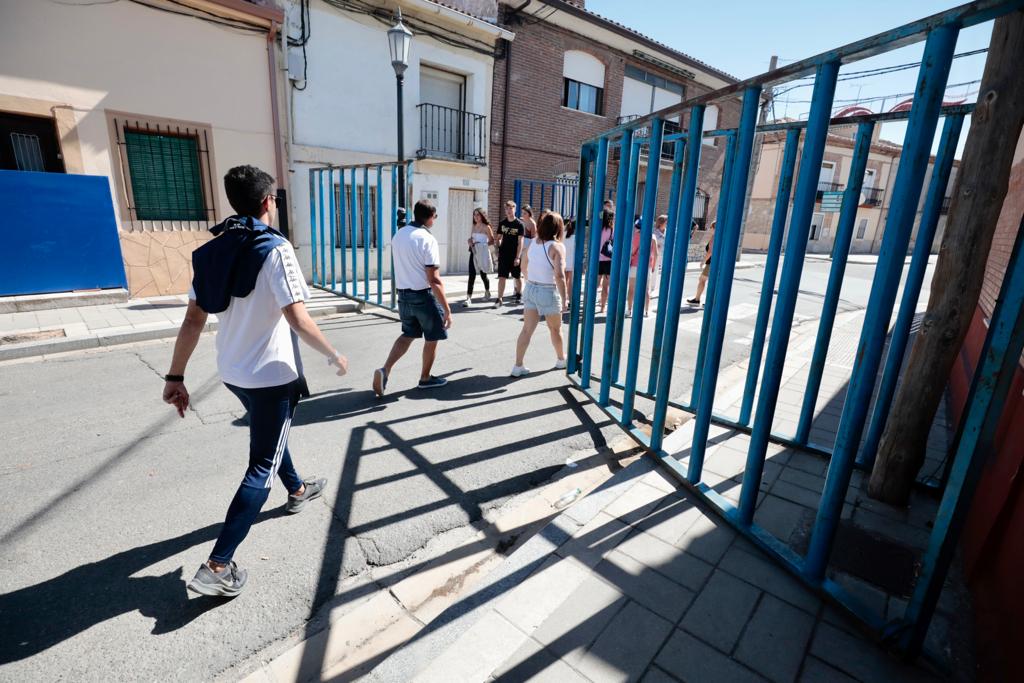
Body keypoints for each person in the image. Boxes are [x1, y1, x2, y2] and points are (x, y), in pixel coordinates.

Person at [164, 165, 348, 598]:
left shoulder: (212, 251)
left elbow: (193, 318)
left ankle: (299, 488)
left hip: (233, 372)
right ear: (268, 201)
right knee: (262, 463)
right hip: (271, 375)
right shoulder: (275, 248)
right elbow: (298, 317)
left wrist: (176, 375)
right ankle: (218, 564)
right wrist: (333, 353)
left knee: (271, 435)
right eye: (276, 199)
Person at [373, 199, 452, 396]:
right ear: (430, 216)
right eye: (435, 216)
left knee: (408, 335)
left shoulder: (399, 235)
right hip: (422, 295)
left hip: (403, 295)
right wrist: (447, 309)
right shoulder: (427, 239)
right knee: (433, 336)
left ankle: (385, 369)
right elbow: (433, 279)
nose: (435, 220)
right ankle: (425, 378)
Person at [511, 211, 568, 376]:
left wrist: (531, 279)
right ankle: (560, 359)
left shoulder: (534, 243)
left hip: (530, 288)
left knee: (526, 330)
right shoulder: (557, 247)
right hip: (547, 290)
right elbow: (559, 275)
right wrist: (565, 299)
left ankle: (518, 365)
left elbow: (523, 265)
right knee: (556, 329)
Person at [494, 200, 525, 308]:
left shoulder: (519, 224)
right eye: (507, 209)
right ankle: (499, 299)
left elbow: (521, 241)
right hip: (503, 254)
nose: (508, 211)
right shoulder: (502, 223)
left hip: (514, 254)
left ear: (514, 209)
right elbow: (497, 238)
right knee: (502, 277)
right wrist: (497, 249)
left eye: (511, 208)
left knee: (517, 276)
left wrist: (518, 257)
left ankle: (519, 294)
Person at [626, 218, 659, 318]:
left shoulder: (636, 235)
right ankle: (646, 311)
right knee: (646, 290)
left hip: (634, 266)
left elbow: (632, 251)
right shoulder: (652, 237)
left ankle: (629, 310)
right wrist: (653, 266)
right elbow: (656, 254)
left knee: (631, 289)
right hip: (647, 266)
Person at [464, 207, 495, 305]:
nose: (476, 217)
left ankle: (487, 291)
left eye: (478, 215)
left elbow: (492, 241)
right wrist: (470, 241)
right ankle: (468, 298)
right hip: (474, 252)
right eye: (474, 215)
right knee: (471, 274)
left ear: (482, 216)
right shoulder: (473, 226)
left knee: (483, 275)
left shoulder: (487, 227)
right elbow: (471, 238)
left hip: (482, 253)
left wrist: (483, 245)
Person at [687, 219, 716, 306]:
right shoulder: (722, 237)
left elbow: (710, 251)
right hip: (716, 263)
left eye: (711, 227)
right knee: (710, 281)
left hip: (711, 263)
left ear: (714, 228)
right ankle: (703, 300)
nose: (710, 229)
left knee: (702, 279)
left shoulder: (715, 237)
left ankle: (698, 300)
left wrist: (703, 261)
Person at [597, 209, 615, 313]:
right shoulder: (612, 230)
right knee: (605, 286)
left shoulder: (597, 228)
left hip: (597, 260)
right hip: (609, 260)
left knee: (594, 285)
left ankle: (589, 305)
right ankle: (602, 307)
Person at [651, 214, 667, 295]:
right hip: (656, 254)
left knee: (665, 272)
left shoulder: (668, 231)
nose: (667, 224)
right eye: (666, 222)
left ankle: (663, 288)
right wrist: (656, 245)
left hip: (666, 255)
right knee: (654, 270)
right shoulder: (654, 232)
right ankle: (652, 288)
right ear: (661, 223)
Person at [563, 217, 577, 307]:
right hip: (572, 262)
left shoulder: (562, 235)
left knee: (563, 282)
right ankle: (570, 302)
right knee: (570, 283)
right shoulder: (576, 237)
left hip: (563, 261)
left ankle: (563, 300)